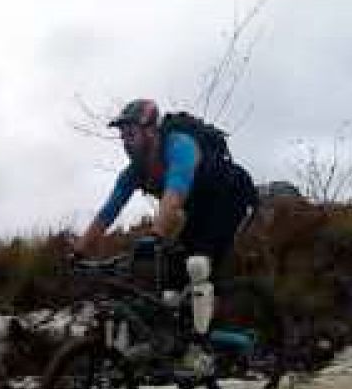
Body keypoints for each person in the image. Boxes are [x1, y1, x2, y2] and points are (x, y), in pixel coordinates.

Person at [74, 98, 256, 373]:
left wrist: (156, 234)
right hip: (197, 210)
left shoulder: (179, 146)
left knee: (197, 265)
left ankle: (200, 350)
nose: (125, 141)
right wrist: (79, 251)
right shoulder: (134, 171)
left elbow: (175, 192)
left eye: (130, 133)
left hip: (229, 197)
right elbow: (108, 212)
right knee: (171, 285)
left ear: (150, 131)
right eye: (122, 136)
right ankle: (184, 340)